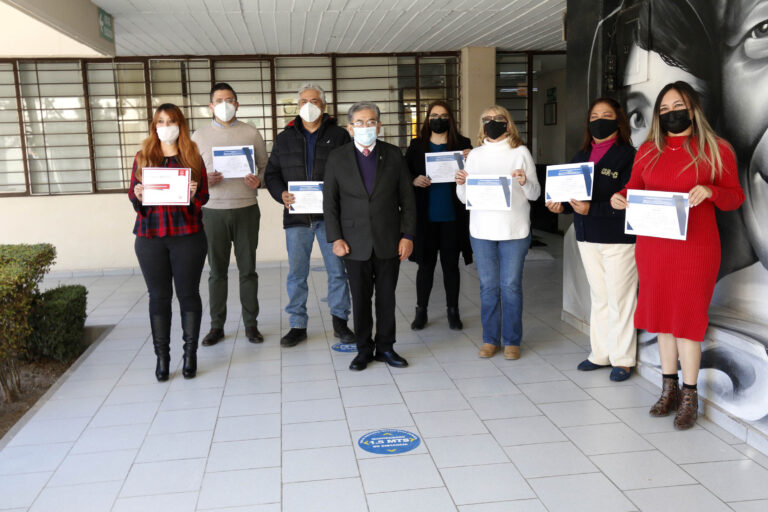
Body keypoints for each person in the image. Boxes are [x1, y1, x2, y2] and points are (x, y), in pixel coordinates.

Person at [610, 81, 745, 429]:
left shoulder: (716, 148)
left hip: (696, 249)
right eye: (665, 109)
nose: (671, 114)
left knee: (686, 321)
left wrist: (712, 190)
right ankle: (667, 387)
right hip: (654, 248)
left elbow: (735, 197)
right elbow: (633, 188)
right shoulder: (647, 150)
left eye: (678, 106)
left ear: (693, 107)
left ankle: (689, 394)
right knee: (661, 318)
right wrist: (619, 197)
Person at [546, 98, 638, 381]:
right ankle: (600, 353)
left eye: (607, 115)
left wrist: (593, 208)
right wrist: (559, 204)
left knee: (620, 299)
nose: (599, 120)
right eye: (594, 115)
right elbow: (570, 194)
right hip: (586, 235)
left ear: (618, 120)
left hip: (618, 238)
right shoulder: (580, 156)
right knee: (599, 296)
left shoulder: (629, 156)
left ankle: (622, 359)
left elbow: (628, 200)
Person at [323, 101, 417, 371]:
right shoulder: (337, 157)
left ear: (379, 125)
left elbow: (407, 199)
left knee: (387, 297)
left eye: (371, 121)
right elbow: (330, 202)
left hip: (389, 239)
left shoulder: (393, 155)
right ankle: (363, 349)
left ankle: (386, 347)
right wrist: (335, 238)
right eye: (360, 122)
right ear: (350, 127)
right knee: (360, 299)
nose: (366, 127)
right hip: (353, 242)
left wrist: (408, 235)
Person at [264, 82, 354, 347]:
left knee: (337, 271)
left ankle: (340, 321)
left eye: (314, 101)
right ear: (298, 105)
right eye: (303, 101)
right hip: (297, 219)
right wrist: (281, 194)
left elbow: (349, 172)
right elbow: (271, 174)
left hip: (331, 218)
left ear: (323, 106)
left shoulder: (339, 136)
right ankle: (297, 325)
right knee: (297, 273)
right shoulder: (285, 137)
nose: (308, 106)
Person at [128, 103, 209, 381]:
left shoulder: (193, 156)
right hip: (150, 237)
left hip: (188, 235)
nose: (165, 126)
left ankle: (190, 355)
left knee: (188, 295)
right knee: (158, 297)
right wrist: (138, 194)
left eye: (171, 121)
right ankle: (162, 357)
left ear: (180, 125)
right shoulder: (143, 157)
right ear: (154, 126)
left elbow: (203, 199)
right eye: (160, 121)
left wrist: (194, 192)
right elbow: (133, 199)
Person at [456, 105, 540, 360]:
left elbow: (535, 193)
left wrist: (525, 181)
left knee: (511, 286)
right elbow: (464, 199)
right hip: (482, 231)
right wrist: (461, 184)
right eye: (487, 119)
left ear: (508, 122)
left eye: (498, 118)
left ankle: (512, 340)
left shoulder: (520, 152)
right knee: (489, 287)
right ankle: (490, 339)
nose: (492, 122)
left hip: (514, 230)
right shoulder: (475, 156)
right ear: (482, 125)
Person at [191, 83, 269, 347]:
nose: (224, 104)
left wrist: (257, 180)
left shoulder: (251, 132)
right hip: (212, 211)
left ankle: (251, 324)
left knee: (248, 270)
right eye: (219, 100)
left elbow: (265, 167)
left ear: (237, 104)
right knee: (217, 272)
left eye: (229, 100)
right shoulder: (198, 136)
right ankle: (216, 326)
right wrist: (204, 181)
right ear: (210, 106)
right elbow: (189, 175)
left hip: (246, 208)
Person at [406, 100, 472, 331]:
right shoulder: (417, 145)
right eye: (434, 115)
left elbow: (476, 174)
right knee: (425, 267)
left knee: (451, 266)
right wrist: (414, 179)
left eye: (443, 115)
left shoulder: (462, 144)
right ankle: (420, 311)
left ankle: (453, 311)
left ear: (450, 118)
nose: (438, 119)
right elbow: (405, 174)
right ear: (427, 118)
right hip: (426, 218)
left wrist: (472, 158)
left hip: (453, 217)